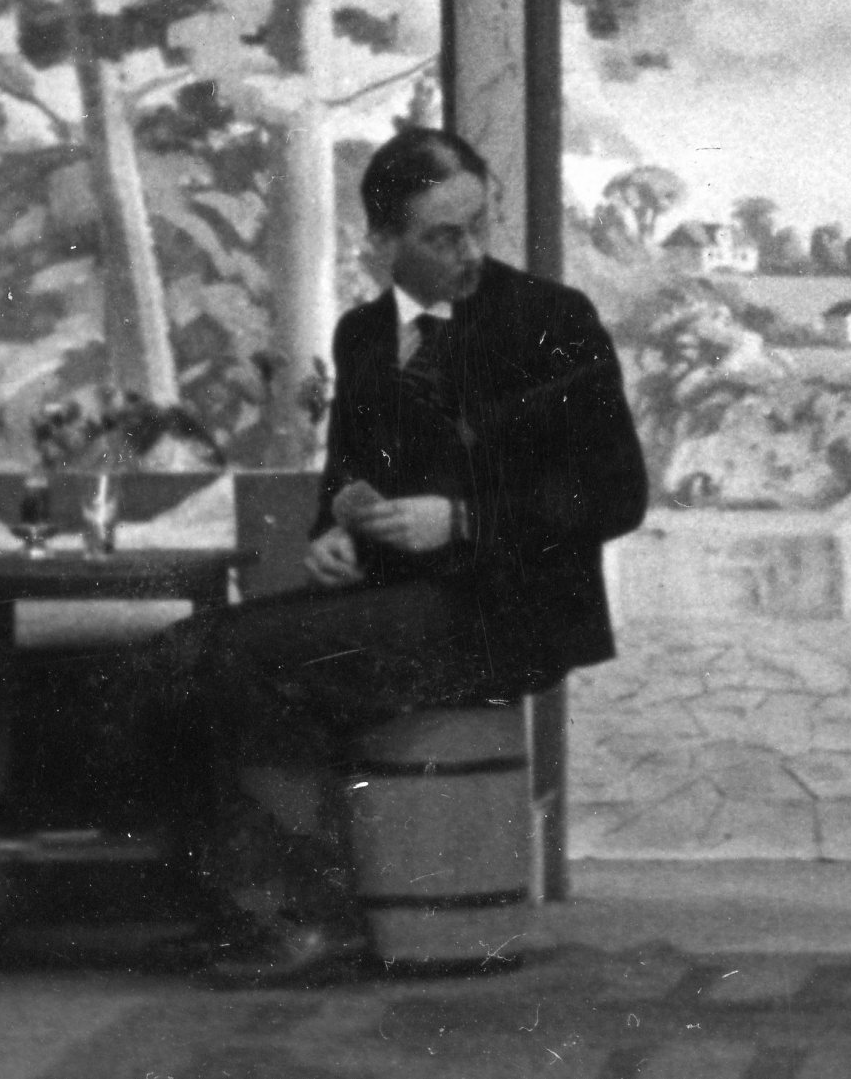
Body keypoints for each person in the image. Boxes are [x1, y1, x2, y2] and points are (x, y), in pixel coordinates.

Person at [170, 127, 652, 989]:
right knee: (194, 647)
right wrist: (332, 535)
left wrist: (461, 519)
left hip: (508, 609)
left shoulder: (550, 320)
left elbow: (616, 494)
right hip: (402, 603)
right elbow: (347, 481)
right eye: (442, 236)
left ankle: (305, 919)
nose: (470, 252)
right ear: (381, 242)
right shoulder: (362, 334)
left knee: (242, 652)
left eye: (478, 226)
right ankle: (271, 909)